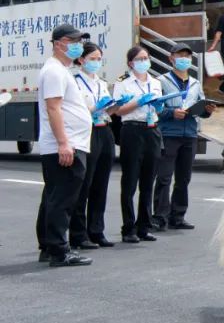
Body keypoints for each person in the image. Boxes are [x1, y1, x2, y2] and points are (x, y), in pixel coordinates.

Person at [35, 24, 95, 267]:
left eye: (80, 41)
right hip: (66, 145)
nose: (78, 45)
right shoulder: (54, 71)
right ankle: (59, 250)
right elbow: (53, 108)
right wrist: (64, 144)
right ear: (58, 43)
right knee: (62, 200)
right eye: (73, 41)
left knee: (54, 197)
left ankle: (49, 247)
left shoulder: (61, 70)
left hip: (70, 142)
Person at [152, 44, 217, 231]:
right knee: (164, 177)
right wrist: (171, 113)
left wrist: (207, 111)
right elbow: (156, 108)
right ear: (171, 58)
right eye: (180, 55)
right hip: (168, 133)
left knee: (184, 178)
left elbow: (201, 109)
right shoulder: (161, 81)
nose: (184, 59)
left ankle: (178, 215)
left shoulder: (195, 83)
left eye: (187, 56)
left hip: (189, 133)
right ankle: (159, 216)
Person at [69, 43, 120, 249]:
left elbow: (109, 109)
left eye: (99, 58)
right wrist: (94, 108)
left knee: (101, 183)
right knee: (84, 185)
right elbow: (77, 109)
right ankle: (78, 234)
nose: (96, 62)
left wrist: (115, 106)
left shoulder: (101, 82)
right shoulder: (74, 82)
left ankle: (96, 231)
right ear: (81, 60)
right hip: (86, 131)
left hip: (104, 130)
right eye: (93, 58)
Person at [112, 46, 165, 243]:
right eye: (139, 58)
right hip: (132, 130)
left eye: (146, 57)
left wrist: (158, 106)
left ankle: (144, 225)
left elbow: (158, 106)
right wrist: (138, 102)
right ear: (131, 63)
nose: (144, 61)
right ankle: (128, 227)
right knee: (130, 181)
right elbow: (118, 111)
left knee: (148, 181)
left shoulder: (156, 83)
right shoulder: (123, 84)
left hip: (151, 128)